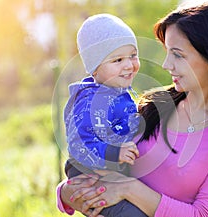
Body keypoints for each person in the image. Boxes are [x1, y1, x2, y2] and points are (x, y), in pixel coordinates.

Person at [57, 1, 208, 217]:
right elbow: (90, 161)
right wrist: (67, 193)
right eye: (167, 52)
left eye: (178, 55)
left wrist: (130, 189)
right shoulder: (153, 105)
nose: (166, 64)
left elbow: (206, 214)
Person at [61, 13, 147, 217]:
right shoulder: (89, 101)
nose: (128, 65)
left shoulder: (119, 91)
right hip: (87, 172)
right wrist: (114, 152)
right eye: (117, 59)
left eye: (133, 56)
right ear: (95, 69)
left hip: (112, 172)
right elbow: (79, 144)